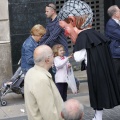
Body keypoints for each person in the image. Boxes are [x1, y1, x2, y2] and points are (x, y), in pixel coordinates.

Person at [58, 0, 120, 120]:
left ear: (72, 20)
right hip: (104, 70)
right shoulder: (95, 34)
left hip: (95, 72)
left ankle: (98, 116)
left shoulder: (83, 37)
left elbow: (77, 57)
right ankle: (98, 116)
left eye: (65, 27)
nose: (65, 32)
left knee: (97, 94)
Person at [24, 45, 63, 120]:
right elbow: (49, 112)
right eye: (53, 55)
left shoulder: (31, 72)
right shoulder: (41, 79)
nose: (54, 57)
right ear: (47, 60)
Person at [105, 5, 120, 88]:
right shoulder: (111, 24)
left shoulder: (117, 22)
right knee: (116, 76)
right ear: (115, 14)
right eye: (119, 11)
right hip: (115, 54)